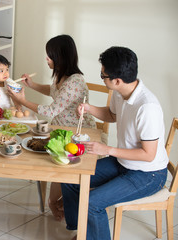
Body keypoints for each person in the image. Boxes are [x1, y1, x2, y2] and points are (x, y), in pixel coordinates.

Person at [61, 46, 168, 240]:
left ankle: (90, 233)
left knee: (92, 203)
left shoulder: (147, 107)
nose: (102, 77)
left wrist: (108, 149)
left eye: (103, 75)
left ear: (117, 80)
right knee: (71, 178)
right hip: (124, 163)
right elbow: (112, 115)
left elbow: (148, 154)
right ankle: (82, 232)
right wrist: (89, 108)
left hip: (148, 173)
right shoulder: (121, 93)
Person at [8, 34, 96, 221]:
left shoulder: (75, 81)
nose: (46, 59)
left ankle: (54, 202)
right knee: (46, 152)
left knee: (55, 160)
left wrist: (22, 100)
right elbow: (53, 91)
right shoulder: (63, 76)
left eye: (49, 56)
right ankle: (56, 201)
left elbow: (49, 111)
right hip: (62, 129)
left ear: (60, 57)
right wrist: (31, 85)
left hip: (78, 134)